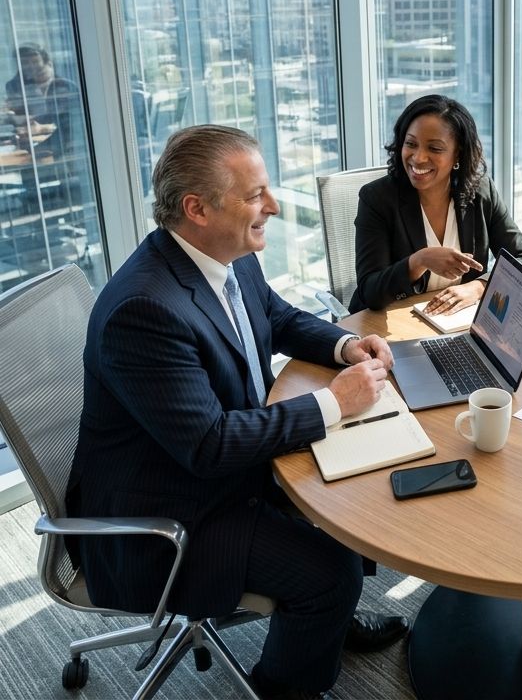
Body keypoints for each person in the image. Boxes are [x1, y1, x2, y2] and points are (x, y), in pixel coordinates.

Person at [66, 125, 409, 700]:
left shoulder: (223, 254)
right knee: (330, 572)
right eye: (255, 196)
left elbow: (274, 316)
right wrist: (334, 402)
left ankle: (325, 630)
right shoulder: (145, 310)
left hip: (214, 469)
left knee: (354, 499)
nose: (272, 206)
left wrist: (343, 346)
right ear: (197, 208)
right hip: (168, 516)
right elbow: (209, 446)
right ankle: (284, 686)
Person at [349, 94, 522, 314]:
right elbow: (370, 292)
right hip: (386, 327)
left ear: (458, 154)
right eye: (411, 144)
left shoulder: (481, 192)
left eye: (435, 149)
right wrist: (419, 261)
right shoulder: (377, 198)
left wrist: (479, 287)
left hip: (453, 325)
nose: (418, 158)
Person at [4, 43, 80, 159]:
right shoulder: (15, 86)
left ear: (48, 63)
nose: (30, 66)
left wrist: (41, 126)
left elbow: (69, 122)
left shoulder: (65, 87)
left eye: (35, 62)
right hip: (30, 143)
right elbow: (20, 119)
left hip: (62, 144)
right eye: (25, 62)